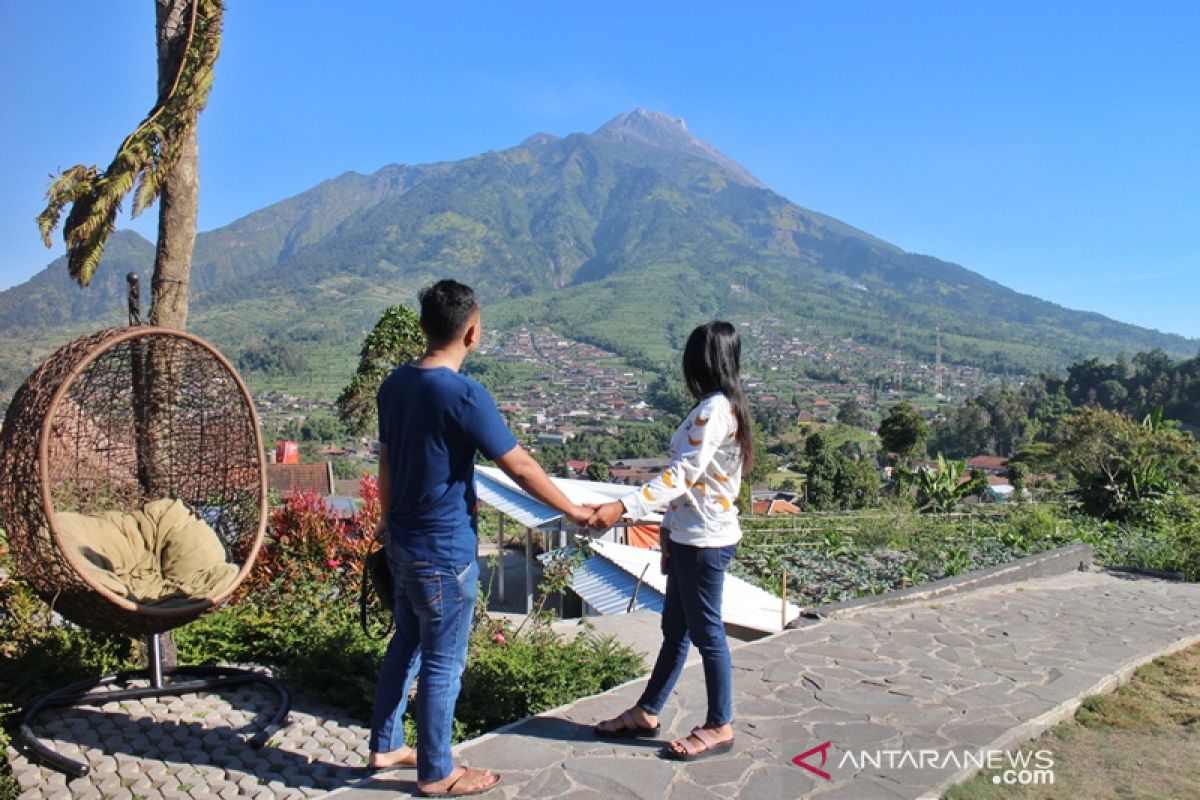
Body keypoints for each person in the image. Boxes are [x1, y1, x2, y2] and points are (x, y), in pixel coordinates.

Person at [369, 279, 594, 796]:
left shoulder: (395, 385)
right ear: (472, 331)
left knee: (406, 643)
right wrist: (574, 511)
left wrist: (385, 519)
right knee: (445, 660)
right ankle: (436, 771)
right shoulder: (464, 395)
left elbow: (385, 464)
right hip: (443, 551)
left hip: (401, 542)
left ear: (426, 327)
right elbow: (520, 466)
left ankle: (385, 745)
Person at [587, 321, 753, 761]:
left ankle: (720, 723)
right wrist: (666, 532)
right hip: (689, 536)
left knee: (706, 632)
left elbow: (682, 475)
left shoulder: (715, 409)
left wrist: (622, 508)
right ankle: (647, 710)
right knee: (675, 629)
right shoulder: (717, 405)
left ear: (700, 360)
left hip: (704, 541)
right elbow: (691, 482)